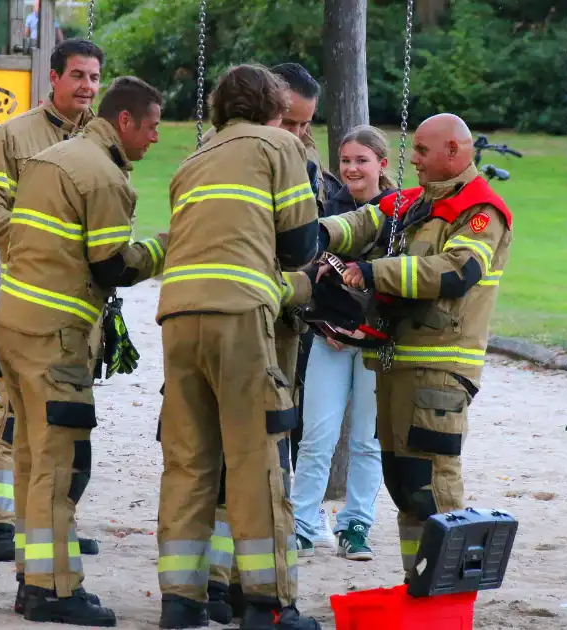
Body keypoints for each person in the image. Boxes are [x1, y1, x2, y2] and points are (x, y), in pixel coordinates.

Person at [0, 75, 167, 627]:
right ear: (125, 122)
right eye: (153, 126)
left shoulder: (52, 156)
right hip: (57, 338)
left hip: (14, 326)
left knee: (28, 460)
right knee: (61, 464)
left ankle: (32, 577)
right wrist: (164, 249)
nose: (156, 139)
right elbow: (111, 264)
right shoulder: (104, 176)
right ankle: (55, 590)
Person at [154, 63, 321, 630]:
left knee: (188, 460)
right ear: (275, 109)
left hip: (177, 315)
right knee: (256, 459)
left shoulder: (191, 160)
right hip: (240, 311)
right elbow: (300, 245)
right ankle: (269, 605)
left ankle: (181, 602)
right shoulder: (280, 144)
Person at [315, 113, 513, 581]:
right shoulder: (411, 202)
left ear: (455, 151)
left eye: (423, 151)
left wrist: (372, 271)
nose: (414, 160)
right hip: (398, 368)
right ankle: (420, 587)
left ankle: (448, 600)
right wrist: (316, 235)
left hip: (441, 373)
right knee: (405, 487)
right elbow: (361, 222)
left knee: (434, 491)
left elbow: (456, 272)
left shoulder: (481, 210)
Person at [0, 38, 107, 575]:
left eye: (94, 77)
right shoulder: (14, 135)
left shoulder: (100, 140)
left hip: (80, 308)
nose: (87, 87)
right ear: (53, 78)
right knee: (12, 414)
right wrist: (36, 253)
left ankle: (50, 522)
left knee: (61, 419)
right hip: (30, 301)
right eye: (77, 76)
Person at [290, 125, 397, 562]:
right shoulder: (327, 211)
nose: (352, 168)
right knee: (317, 433)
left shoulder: (398, 212)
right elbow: (308, 274)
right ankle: (302, 521)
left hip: (375, 343)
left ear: (381, 165)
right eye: (346, 161)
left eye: (362, 160)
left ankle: (356, 524)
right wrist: (321, 322)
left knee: (367, 441)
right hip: (330, 339)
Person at [268, 61, 341, 547]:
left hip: (297, 320)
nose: (297, 133)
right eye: (288, 121)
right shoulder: (236, 157)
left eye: (305, 124)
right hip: (254, 312)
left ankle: (287, 526)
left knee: (292, 424)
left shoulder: (310, 166)